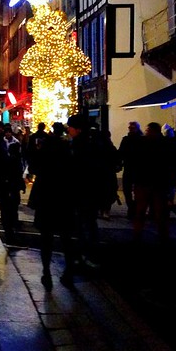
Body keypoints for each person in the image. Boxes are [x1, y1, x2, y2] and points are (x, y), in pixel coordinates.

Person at [27, 119, 78, 289]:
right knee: (66, 238)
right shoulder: (67, 150)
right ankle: (69, 272)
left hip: (46, 198)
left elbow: (33, 168)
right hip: (64, 198)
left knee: (46, 239)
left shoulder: (44, 148)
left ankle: (47, 272)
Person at [66, 114, 105, 268]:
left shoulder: (81, 146)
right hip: (87, 191)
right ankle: (85, 254)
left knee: (85, 223)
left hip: (83, 191)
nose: (68, 130)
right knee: (86, 223)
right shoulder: (91, 142)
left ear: (78, 129)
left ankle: (88, 255)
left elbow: (79, 169)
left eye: (70, 127)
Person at [131, 122, 175, 244]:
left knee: (150, 211)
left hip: (151, 182)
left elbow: (137, 162)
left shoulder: (144, 144)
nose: (147, 132)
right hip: (154, 182)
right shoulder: (164, 144)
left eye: (148, 130)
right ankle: (159, 236)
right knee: (155, 212)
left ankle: (140, 235)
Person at [2, 124, 27, 228]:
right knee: (13, 202)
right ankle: (13, 220)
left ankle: (10, 220)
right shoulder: (14, 161)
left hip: (11, 183)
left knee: (12, 202)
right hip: (12, 184)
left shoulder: (15, 144)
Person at [117, 121, 143, 219]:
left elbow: (121, 153)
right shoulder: (128, 139)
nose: (130, 129)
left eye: (132, 128)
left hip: (136, 168)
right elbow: (121, 153)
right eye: (130, 128)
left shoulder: (138, 140)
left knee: (133, 190)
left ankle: (133, 208)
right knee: (128, 190)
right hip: (131, 167)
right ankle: (132, 207)